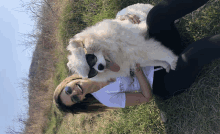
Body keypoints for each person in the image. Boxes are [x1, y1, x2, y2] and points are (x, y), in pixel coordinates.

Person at [54, 0, 220, 113]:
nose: (75, 92)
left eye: (68, 90)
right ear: (81, 100)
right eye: (75, 98)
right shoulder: (107, 98)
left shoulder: (89, 55)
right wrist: (139, 72)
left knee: (156, 16)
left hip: (155, 51)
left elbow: (113, 34)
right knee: (195, 53)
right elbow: (145, 97)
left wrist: (124, 20)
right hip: (164, 81)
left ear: (69, 82)